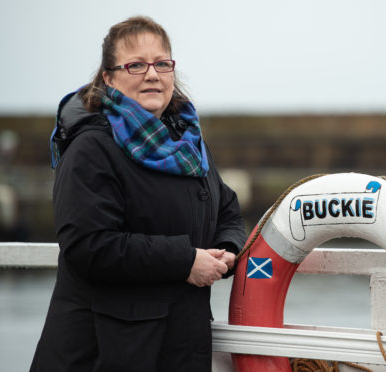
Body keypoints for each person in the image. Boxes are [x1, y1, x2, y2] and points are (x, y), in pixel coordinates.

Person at [30, 16, 247, 372]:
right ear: (108, 77)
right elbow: (90, 245)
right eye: (136, 65)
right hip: (104, 352)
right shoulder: (90, 149)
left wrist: (228, 249)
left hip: (178, 346)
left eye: (162, 63)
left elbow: (228, 209)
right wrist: (185, 261)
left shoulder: (188, 146)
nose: (152, 74)